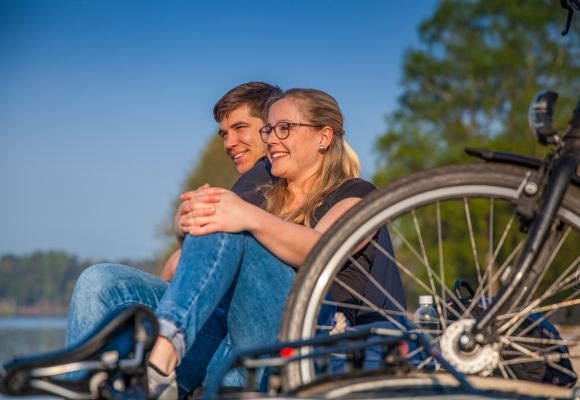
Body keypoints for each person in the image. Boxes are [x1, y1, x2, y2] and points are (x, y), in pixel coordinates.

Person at [143, 88, 387, 398]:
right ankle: (95, 381)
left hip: (310, 340)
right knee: (104, 281)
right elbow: (191, 264)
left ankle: (160, 360)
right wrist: (186, 226)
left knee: (227, 221)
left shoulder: (358, 194)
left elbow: (322, 249)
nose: (271, 139)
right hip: (239, 336)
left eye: (284, 128)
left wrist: (244, 216)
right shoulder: (265, 197)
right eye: (269, 129)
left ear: (323, 137)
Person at [66, 82, 282, 397]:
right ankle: (83, 383)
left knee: (213, 217)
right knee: (97, 281)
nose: (229, 142)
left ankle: (150, 364)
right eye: (224, 133)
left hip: (266, 339)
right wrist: (184, 237)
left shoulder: (311, 185)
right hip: (216, 333)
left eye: (240, 128)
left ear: (271, 129)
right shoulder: (248, 190)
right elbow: (180, 270)